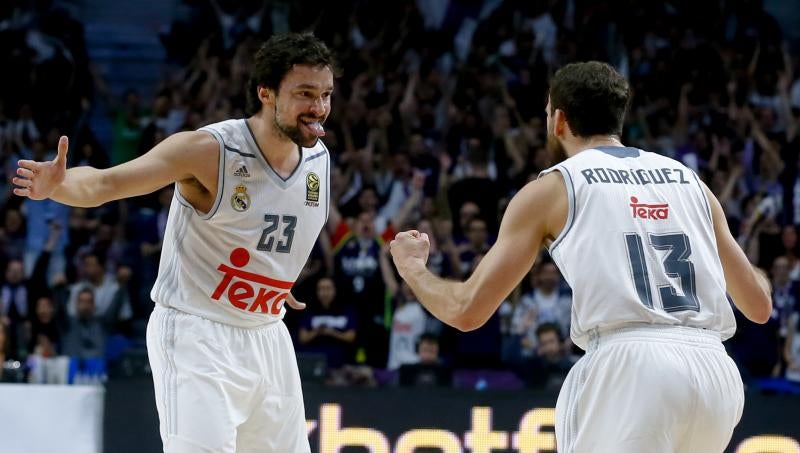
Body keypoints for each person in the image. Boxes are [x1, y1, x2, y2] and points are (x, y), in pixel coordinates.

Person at [390, 61, 772, 453]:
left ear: (559, 119)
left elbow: (466, 310)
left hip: (633, 364)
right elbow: (759, 306)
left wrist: (412, 268)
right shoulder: (690, 182)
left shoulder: (556, 186)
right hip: (715, 374)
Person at [13, 32, 336, 453]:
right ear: (266, 93)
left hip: (268, 334)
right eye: (306, 94)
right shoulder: (208, 150)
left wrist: (270, 280)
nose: (320, 108)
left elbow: (266, 229)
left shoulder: (318, 160)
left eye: (326, 94)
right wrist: (59, 186)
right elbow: (108, 183)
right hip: (196, 330)